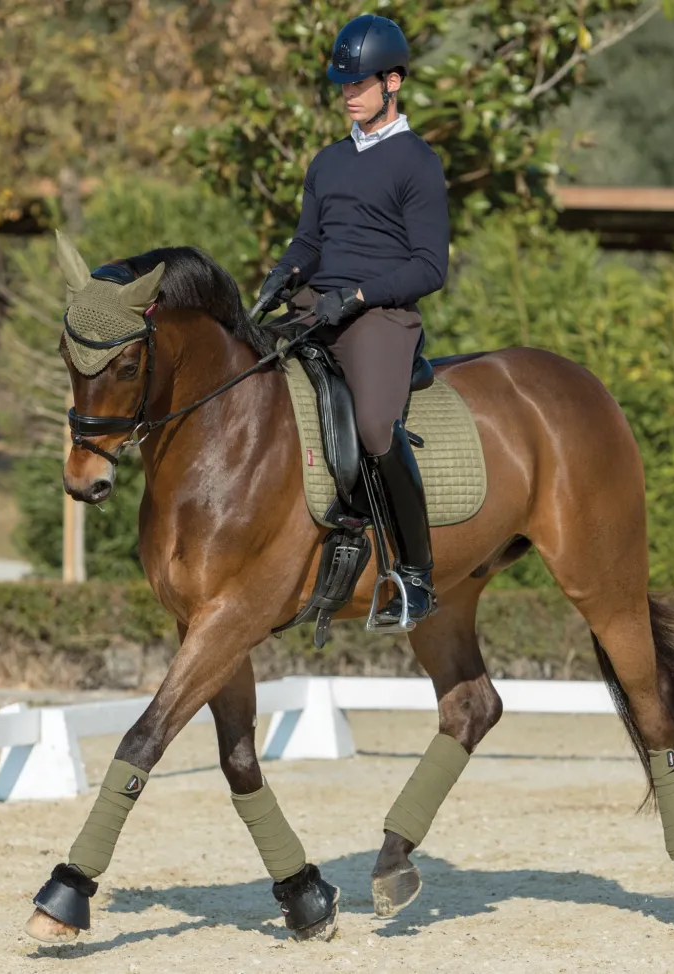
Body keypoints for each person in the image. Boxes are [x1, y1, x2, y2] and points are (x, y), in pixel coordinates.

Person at [254, 13, 450, 627]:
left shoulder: (417, 163)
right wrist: (279, 276)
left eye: (359, 83)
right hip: (316, 308)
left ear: (393, 82)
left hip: (380, 318)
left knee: (373, 425)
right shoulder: (327, 162)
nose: (348, 94)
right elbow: (309, 241)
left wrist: (360, 296)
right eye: (343, 85)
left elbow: (429, 266)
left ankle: (416, 576)